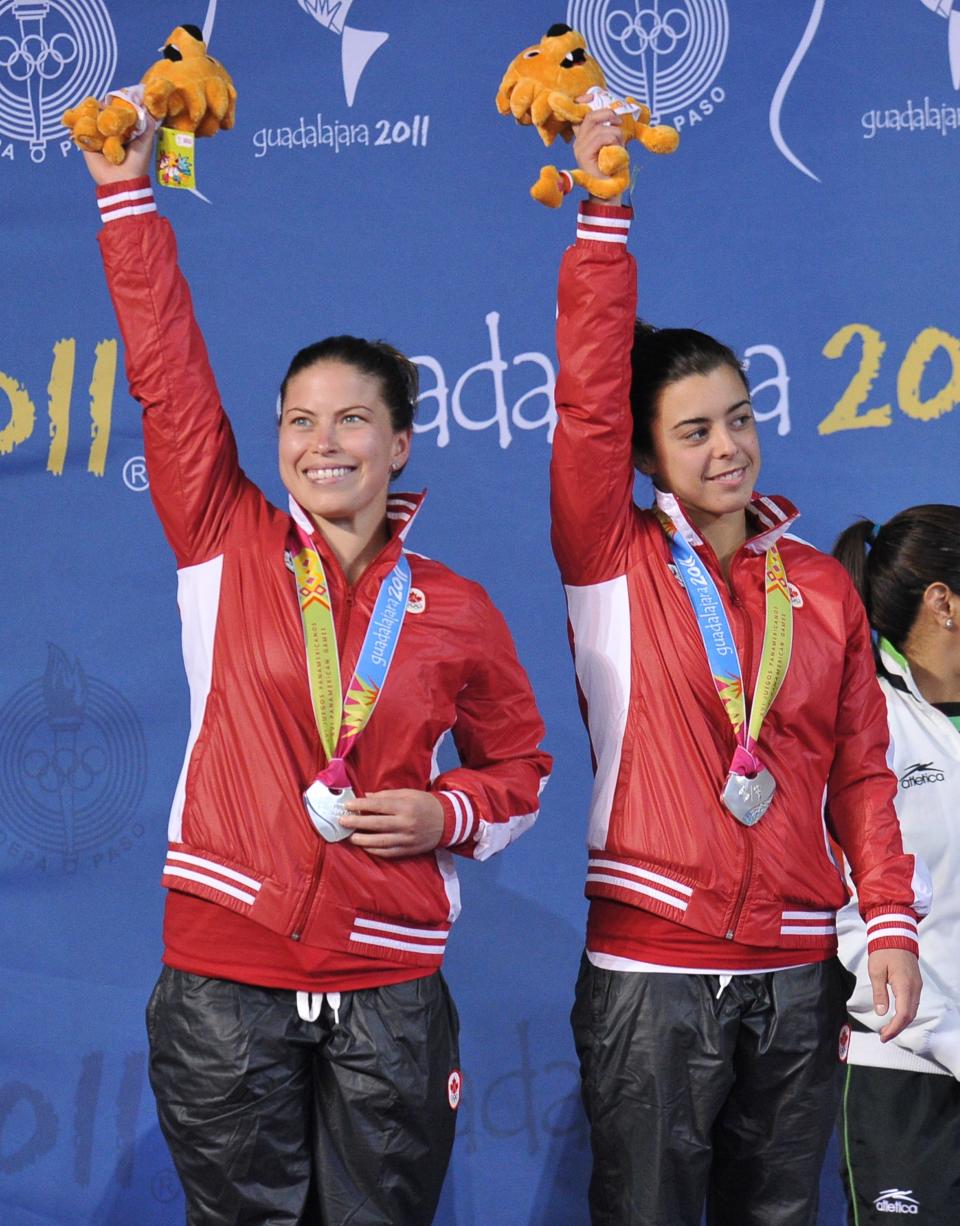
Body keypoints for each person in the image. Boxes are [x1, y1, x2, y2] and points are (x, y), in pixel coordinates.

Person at [80, 122, 551, 1226]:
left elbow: (520, 767)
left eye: (352, 419)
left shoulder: (456, 607)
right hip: (223, 976)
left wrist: (446, 810)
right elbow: (169, 378)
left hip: (388, 982)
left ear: (401, 442)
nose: (320, 442)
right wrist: (124, 199)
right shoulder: (221, 536)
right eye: (298, 419)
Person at [550, 107, 929, 1226]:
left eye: (742, 417)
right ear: (645, 453)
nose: (729, 448)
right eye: (696, 431)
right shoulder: (610, 557)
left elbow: (862, 771)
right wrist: (604, 211)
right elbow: (582, 397)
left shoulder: (816, 584)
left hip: (801, 970)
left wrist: (892, 925)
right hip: (652, 972)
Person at [833, 507, 960, 1225]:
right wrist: (950, 1036)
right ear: (944, 602)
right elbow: (849, 915)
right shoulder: (859, 720)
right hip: (904, 1072)